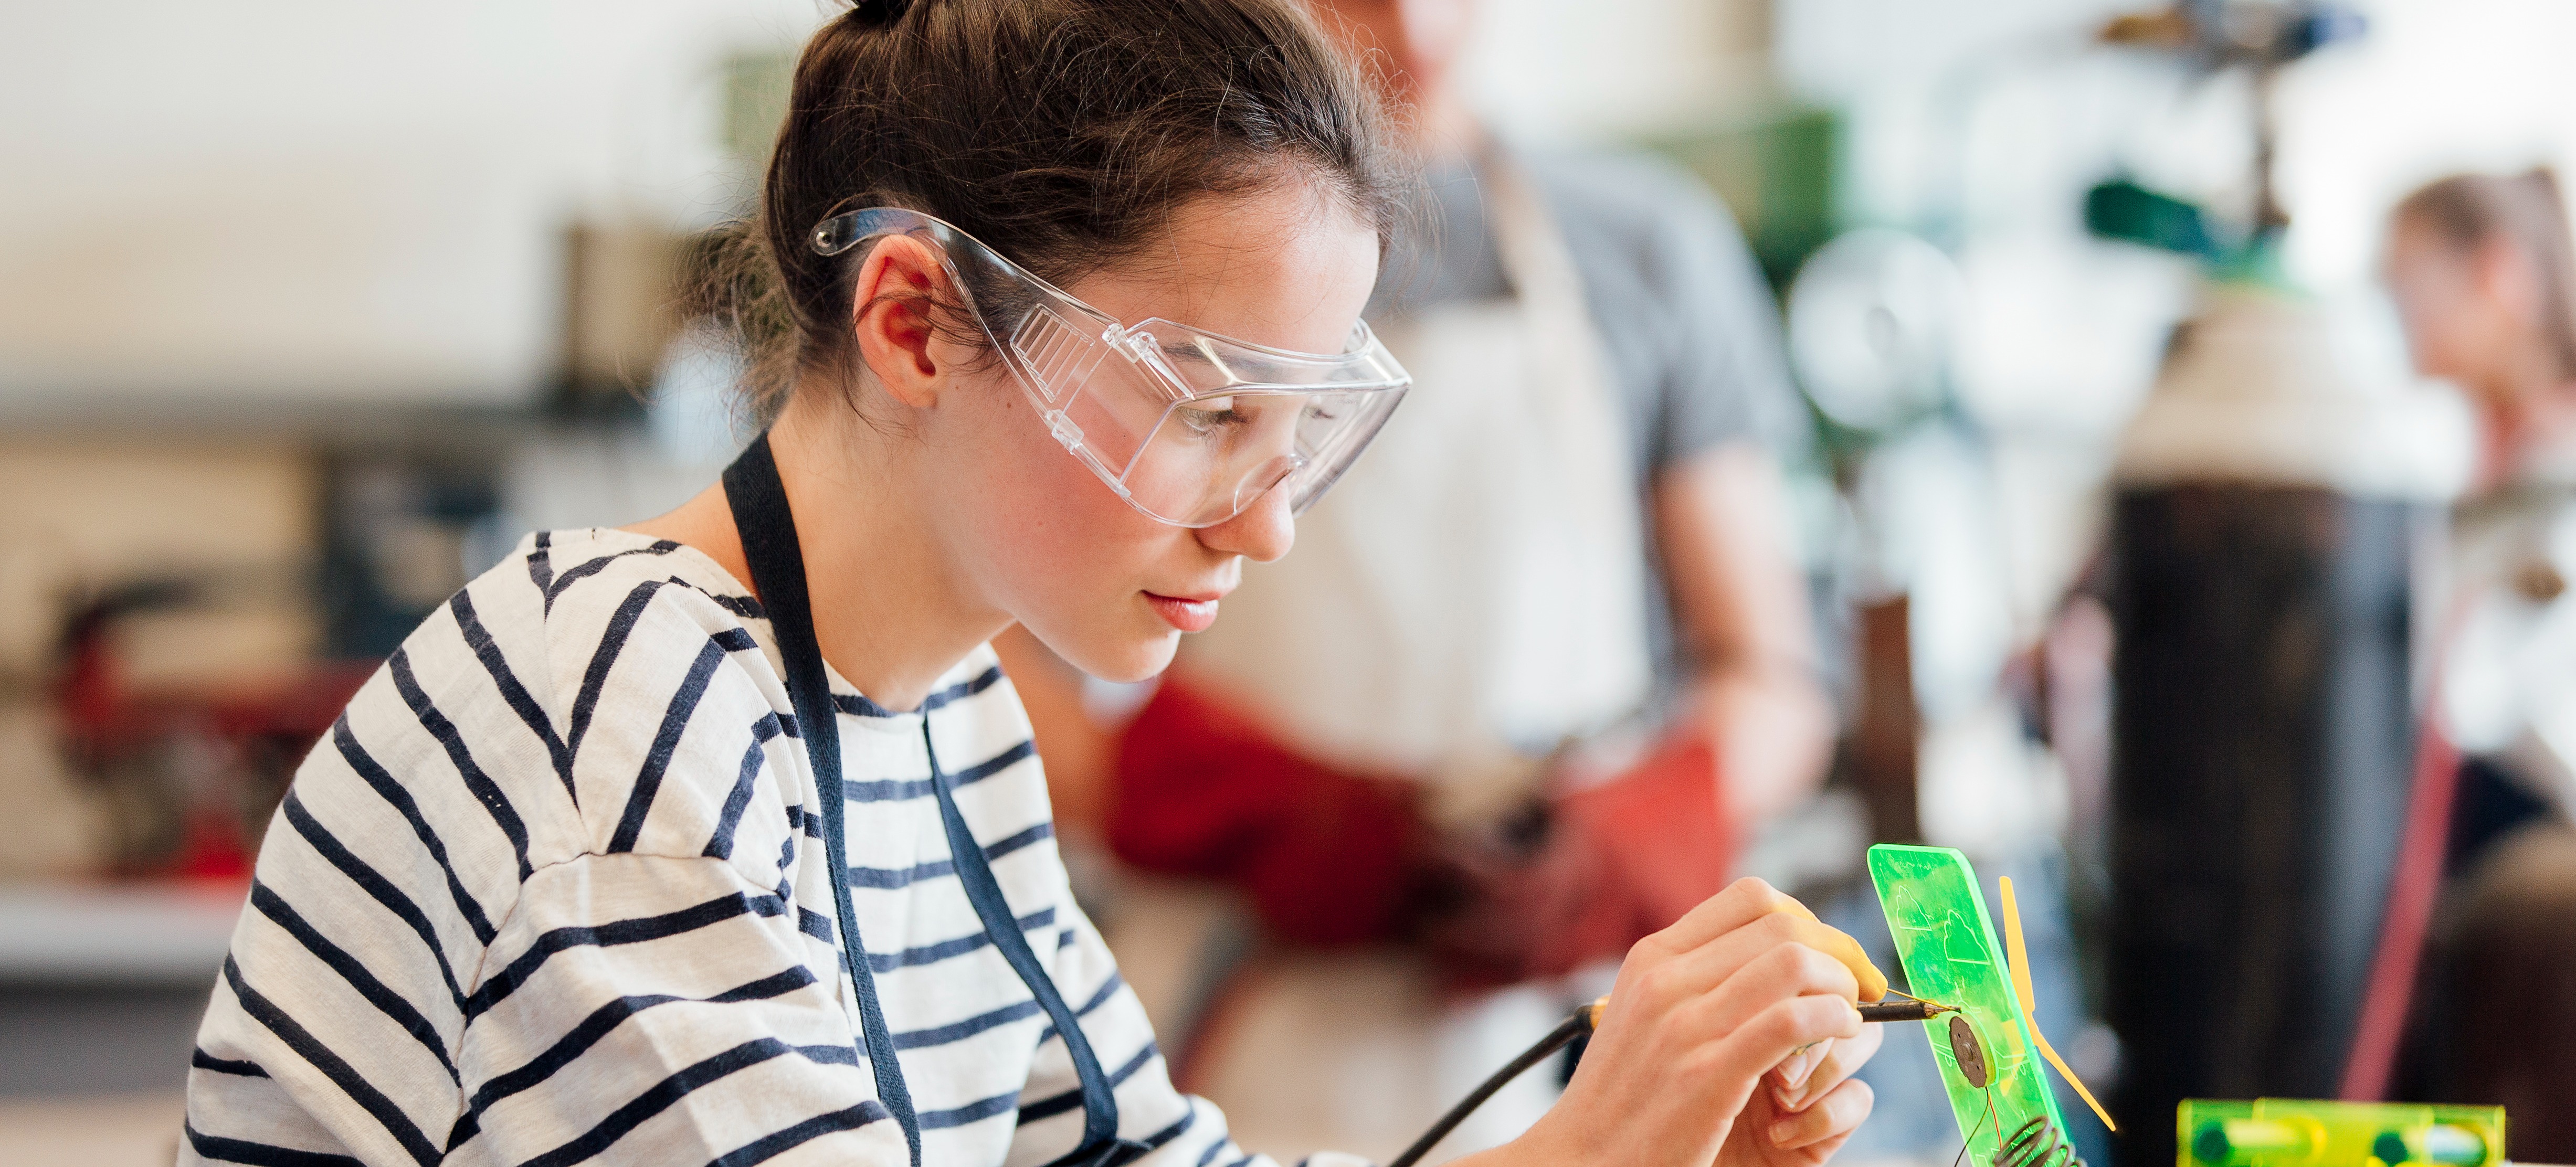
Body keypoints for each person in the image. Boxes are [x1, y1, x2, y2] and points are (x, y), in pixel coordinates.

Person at [177, 2, 1887, 1165]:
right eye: (1207, 407)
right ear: (915, 320)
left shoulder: (941, 720)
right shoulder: (619, 712)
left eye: (1300, 430)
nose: (1265, 523)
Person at [994, 0, 1834, 1153]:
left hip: (1558, 1020)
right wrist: (1212, 808)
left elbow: (1772, 675)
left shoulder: (1643, 246)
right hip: (1228, 1014)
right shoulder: (1145, 239)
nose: (1408, 12)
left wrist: (1635, 837)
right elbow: (984, 652)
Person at [2381, 168, 2576, 1154]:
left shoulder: (2556, 485)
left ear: (2499, 275)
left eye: (2410, 277)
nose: (2390, 305)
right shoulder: (2458, 478)